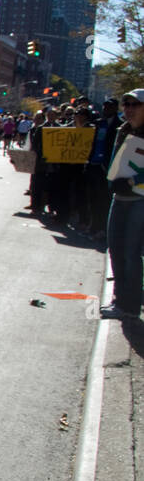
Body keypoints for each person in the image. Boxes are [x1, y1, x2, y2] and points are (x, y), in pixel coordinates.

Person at [102, 88, 144, 320]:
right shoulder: (122, 130)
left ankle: (130, 306)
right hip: (119, 197)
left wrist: (132, 180)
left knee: (130, 252)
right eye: (126, 105)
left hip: (140, 199)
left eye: (135, 105)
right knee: (115, 249)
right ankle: (119, 301)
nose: (129, 110)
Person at [85, 98, 121, 241]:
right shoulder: (98, 124)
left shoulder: (120, 125)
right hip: (94, 165)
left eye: (109, 107)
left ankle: (103, 229)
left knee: (104, 200)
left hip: (107, 168)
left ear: (115, 108)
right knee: (93, 199)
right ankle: (93, 227)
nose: (106, 109)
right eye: (105, 107)